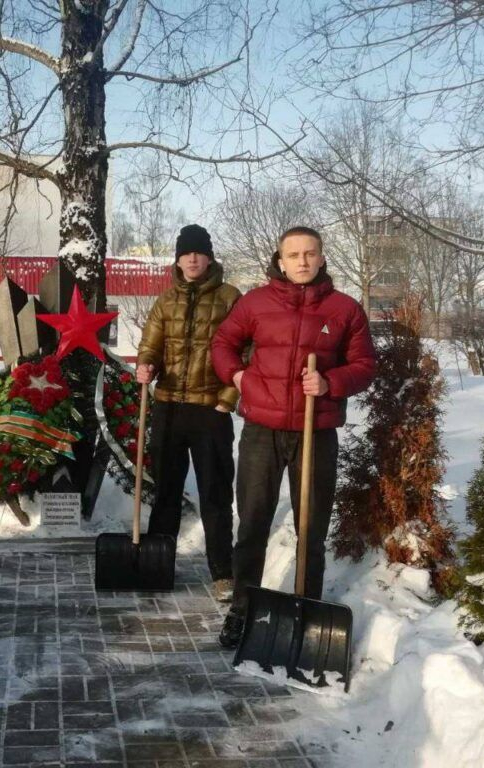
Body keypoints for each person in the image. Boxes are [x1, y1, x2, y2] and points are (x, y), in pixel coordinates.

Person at [211, 226, 376, 647]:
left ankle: (306, 609)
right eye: (294, 254)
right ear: (280, 260)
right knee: (252, 524)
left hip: (315, 432)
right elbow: (223, 343)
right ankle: (242, 609)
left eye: (310, 253)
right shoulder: (255, 303)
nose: (302, 261)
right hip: (261, 432)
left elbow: (365, 366)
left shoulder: (345, 309)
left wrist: (330, 383)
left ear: (321, 257)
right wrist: (238, 376)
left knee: (312, 529)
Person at [136, 224, 242, 603]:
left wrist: (227, 398)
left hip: (211, 410)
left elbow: (246, 351)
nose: (193, 259)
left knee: (215, 492)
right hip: (168, 408)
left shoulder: (231, 298)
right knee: (165, 490)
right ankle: (157, 565)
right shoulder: (166, 301)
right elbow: (150, 345)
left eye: (199, 252)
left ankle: (222, 573)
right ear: (178, 259)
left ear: (209, 257)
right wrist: (146, 365)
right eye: (186, 253)